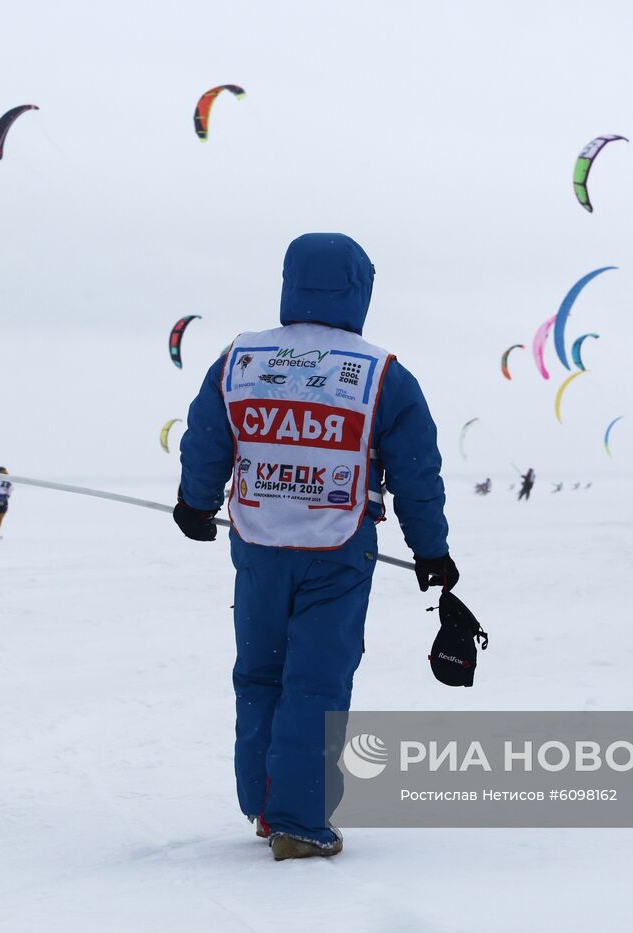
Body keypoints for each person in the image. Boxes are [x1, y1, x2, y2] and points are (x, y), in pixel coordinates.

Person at [175, 233, 454, 861]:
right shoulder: (382, 373)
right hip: (338, 551)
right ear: (360, 291)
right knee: (317, 679)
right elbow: (415, 471)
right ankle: (298, 821)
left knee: (260, 673)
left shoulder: (240, 359)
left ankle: (264, 804)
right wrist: (431, 550)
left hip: (257, 543)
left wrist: (194, 502)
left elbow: (206, 437)